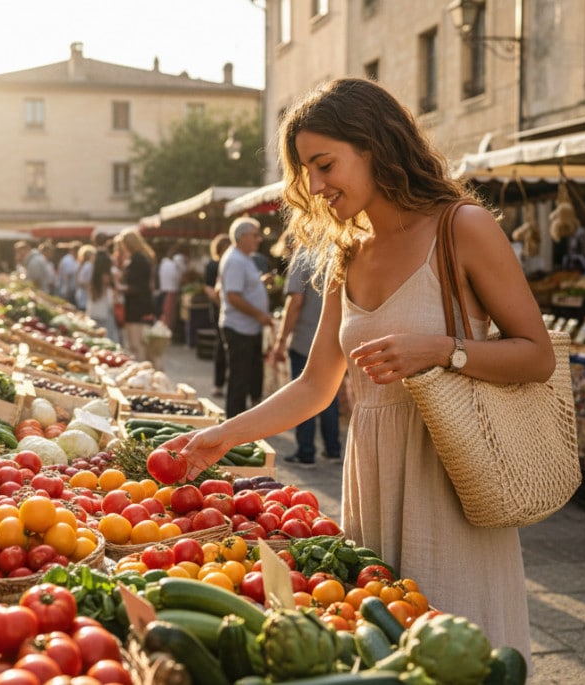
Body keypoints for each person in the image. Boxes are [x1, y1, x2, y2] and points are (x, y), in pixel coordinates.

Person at [163, 78, 551, 668]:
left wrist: (446, 349)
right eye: (307, 172)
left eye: (325, 165)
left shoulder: (462, 226)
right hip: (371, 475)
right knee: (386, 652)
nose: (315, 187)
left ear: (374, 145)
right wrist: (224, 436)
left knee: (462, 655)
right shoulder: (349, 254)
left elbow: (536, 354)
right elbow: (316, 385)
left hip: (452, 477)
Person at [270, 244, 341, 466]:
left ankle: (306, 451)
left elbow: (295, 301)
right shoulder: (336, 250)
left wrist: (281, 341)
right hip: (334, 339)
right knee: (329, 394)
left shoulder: (304, 254)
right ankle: (333, 449)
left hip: (305, 338)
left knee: (304, 392)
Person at [217, 216, 272, 418]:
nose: (259, 239)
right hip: (239, 327)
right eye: (255, 235)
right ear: (242, 237)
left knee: (245, 375)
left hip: (246, 328)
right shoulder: (235, 260)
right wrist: (258, 314)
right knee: (239, 378)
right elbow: (233, 296)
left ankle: (238, 421)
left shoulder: (243, 257)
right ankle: (233, 422)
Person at [115, 228, 155, 361]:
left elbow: (138, 287)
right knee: (136, 344)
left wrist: (120, 287)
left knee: (136, 344)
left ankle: (142, 371)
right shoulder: (141, 259)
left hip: (137, 307)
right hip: (138, 305)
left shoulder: (138, 260)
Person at [202, 234, 232, 398]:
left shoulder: (233, 263)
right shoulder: (213, 265)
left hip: (231, 310)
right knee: (221, 346)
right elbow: (208, 287)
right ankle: (218, 383)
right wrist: (220, 302)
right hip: (219, 310)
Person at [85, 249, 121, 344]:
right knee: (109, 337)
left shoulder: (93, 274)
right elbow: (115, 291)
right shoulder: (108, 276)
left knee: (96, 336)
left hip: (94, 308)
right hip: (105, 310)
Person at [74, 243, 96, 310]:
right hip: (85, 296)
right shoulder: (88, 265)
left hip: (81, 295)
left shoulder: (81, 265)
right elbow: (82, 282)